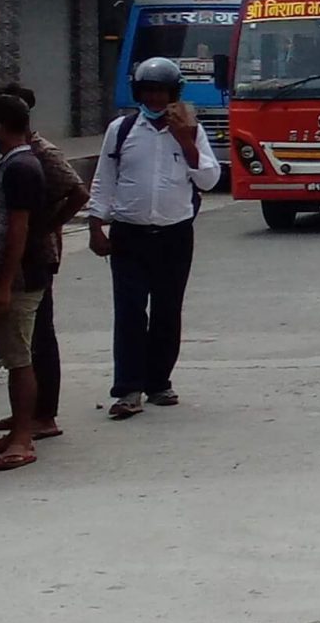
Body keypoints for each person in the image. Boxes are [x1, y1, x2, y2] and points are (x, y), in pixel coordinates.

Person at [85, 56, 219, 418]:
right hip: (129, 234)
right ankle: (127, 388)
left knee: (166, 310)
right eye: (149, 92)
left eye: (162, 92)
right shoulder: (122, 130)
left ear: (174, 95)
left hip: (174, 235)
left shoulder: (191, 130)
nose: (156, 100)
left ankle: (159, 382)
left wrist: (186, 141)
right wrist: (97, 224)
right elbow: (105, 178)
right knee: (129, 311)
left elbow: (209, 179)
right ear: (139, 93)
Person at [0, 84, 85, 445]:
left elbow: (77, 192)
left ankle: (38, 419)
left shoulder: (35, 156)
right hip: (19, 263)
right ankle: (24, 414)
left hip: (30, 265)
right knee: (21, 349)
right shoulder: (13, 160)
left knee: (32, 344)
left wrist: (48, 225)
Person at [0, 92, 60, 469]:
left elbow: (18, 231)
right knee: (12, 356)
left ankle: (24, 437)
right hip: (6, 274)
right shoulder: (11, 164)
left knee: (20, 358)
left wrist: (5, 282)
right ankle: (17, 428)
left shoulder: (23, 167)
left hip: (21, 279)